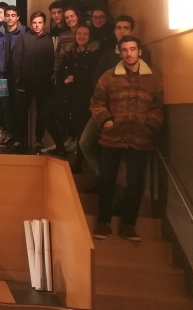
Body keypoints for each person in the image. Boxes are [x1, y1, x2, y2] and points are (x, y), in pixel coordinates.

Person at [91, 36, 163, 242]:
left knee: (135, 183)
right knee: (106, 180)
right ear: (120, 53)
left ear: (139, 51)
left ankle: (129, 224)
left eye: (133, 49)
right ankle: (103, 222)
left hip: (140, 138)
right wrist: (106, 121)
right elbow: (96, 102)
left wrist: (150, 126)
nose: (129, 53)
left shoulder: (154, 77)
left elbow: (158, 106)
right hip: (112, 137)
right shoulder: (108, 76)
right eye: (125, 50)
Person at [79, 15, 152, 172]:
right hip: (105, 108)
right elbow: (96, 79)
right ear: (114, 31)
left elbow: (145, 82)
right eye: (119, 27)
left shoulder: (141, 53)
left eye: (126, 28)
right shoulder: (107, 54)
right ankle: (103, 178)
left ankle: (112, 182)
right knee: (85, 142)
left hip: (132, 110)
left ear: (132, 30)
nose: (122, 31)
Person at [47, 24, 100, 164]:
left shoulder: (94, 55)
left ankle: (78, 164)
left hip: (82, 97)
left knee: (81, 130)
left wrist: (74, 78)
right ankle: (61, 147)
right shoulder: (70, 53)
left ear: (90, 37)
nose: (81, 36)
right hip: (65, 95)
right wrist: (61, 84)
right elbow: (60, 74)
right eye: (79, 34)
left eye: (85, 34)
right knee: (45, 116)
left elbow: (93, 76)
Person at [12, 11, 55, 154]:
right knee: (20, 112)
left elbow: (52, 60)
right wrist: (18, 77)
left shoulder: (49, 39)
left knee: (41, 113)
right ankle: (19, 139)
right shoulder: (24, 37)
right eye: (34, 23)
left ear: (44, 23)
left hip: (43, 83)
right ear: (31, 23)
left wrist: (48, 77)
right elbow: (16, 58)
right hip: (25, 82)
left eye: (40, 23)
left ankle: (38, 140)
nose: (37, 25)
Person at [0, 5, 26, 146]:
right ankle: (8, 134)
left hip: (18, 76)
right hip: (2, 75)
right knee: (4, 107)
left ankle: (18, 136)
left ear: (17, 17)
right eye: (8, 15)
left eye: (13, 15)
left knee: (18, 107)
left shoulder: (24, 32)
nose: (10, 18)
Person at [53, 6, 82, 77]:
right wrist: (55, 74)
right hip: (65, 73)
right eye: (67, 17)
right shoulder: (62, 36)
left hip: (81, 73)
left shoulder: (85, 33)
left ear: (77, 17)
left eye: (72, 16)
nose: (69, 19)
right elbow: (58, 56)